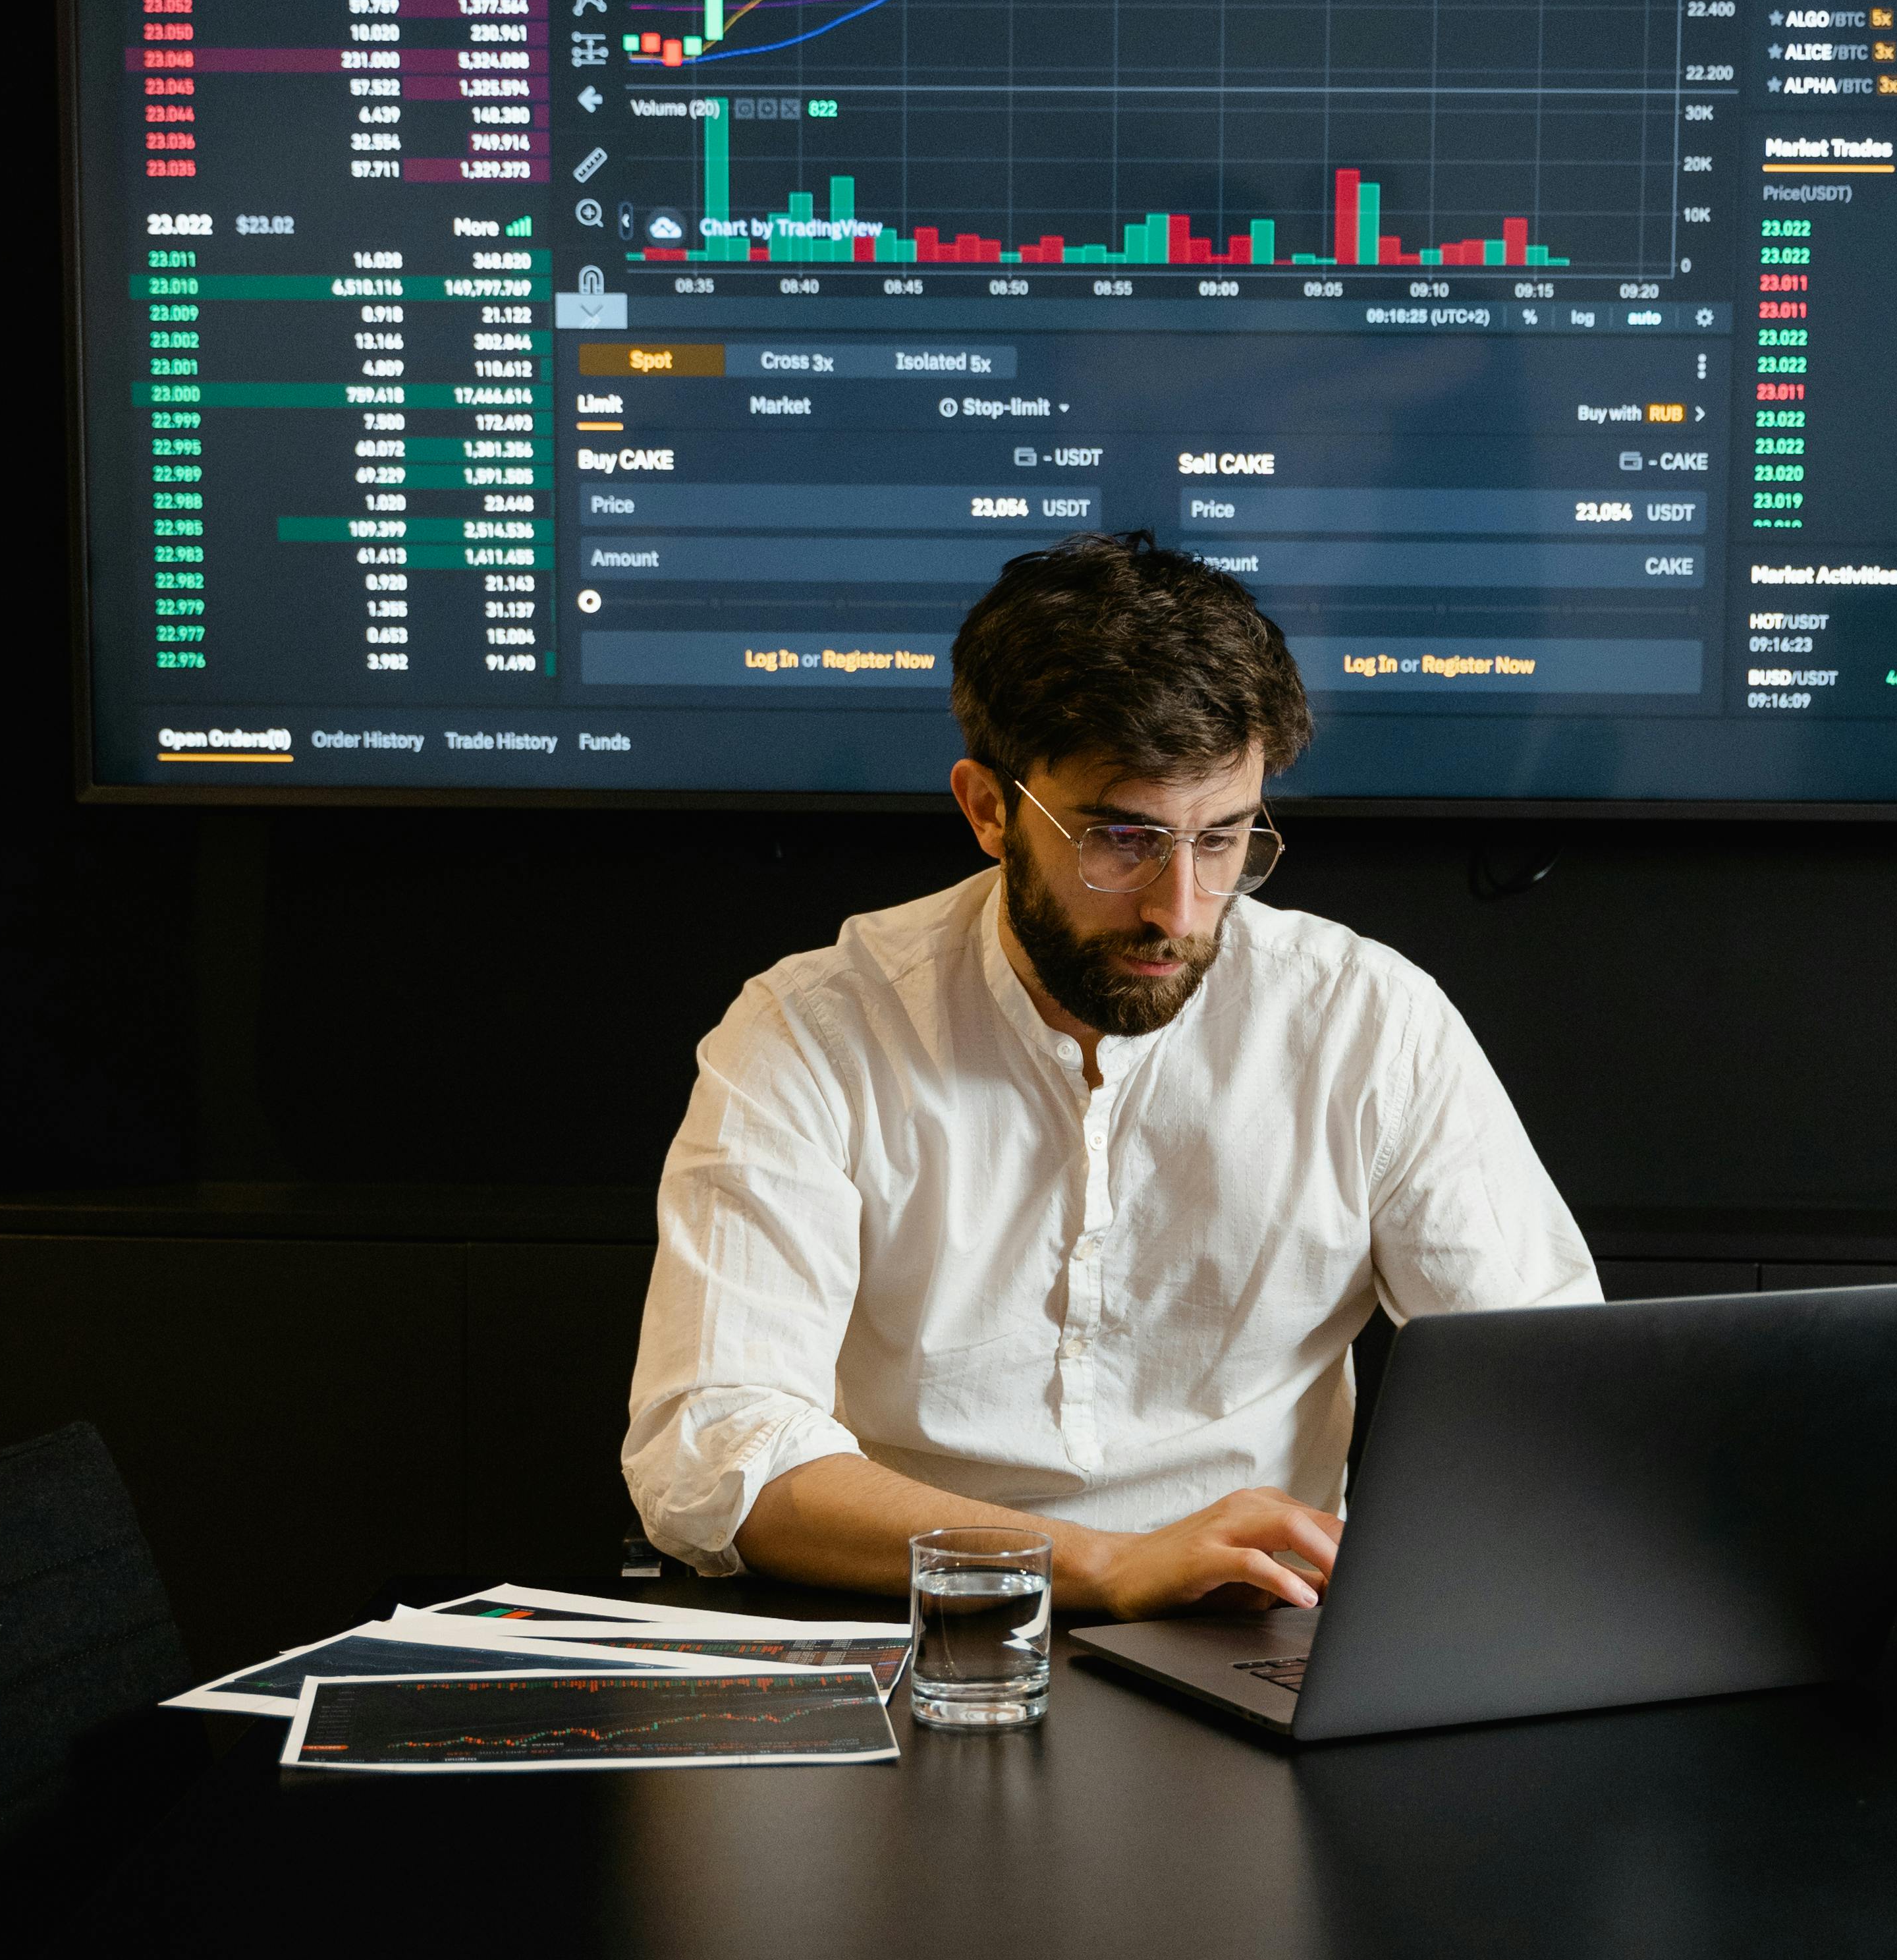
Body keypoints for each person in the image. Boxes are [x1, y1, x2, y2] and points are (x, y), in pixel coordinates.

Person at [623, 532, 1597, 1611]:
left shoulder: (1368, 1021)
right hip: (915, 1636)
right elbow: (711, 1451)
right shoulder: (811, 1030)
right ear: (988, 809)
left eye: (1223, 840)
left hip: (1264, 1640)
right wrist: (1103, 1565)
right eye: (1122, 841)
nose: (1179, 911)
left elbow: (1551, 1396)